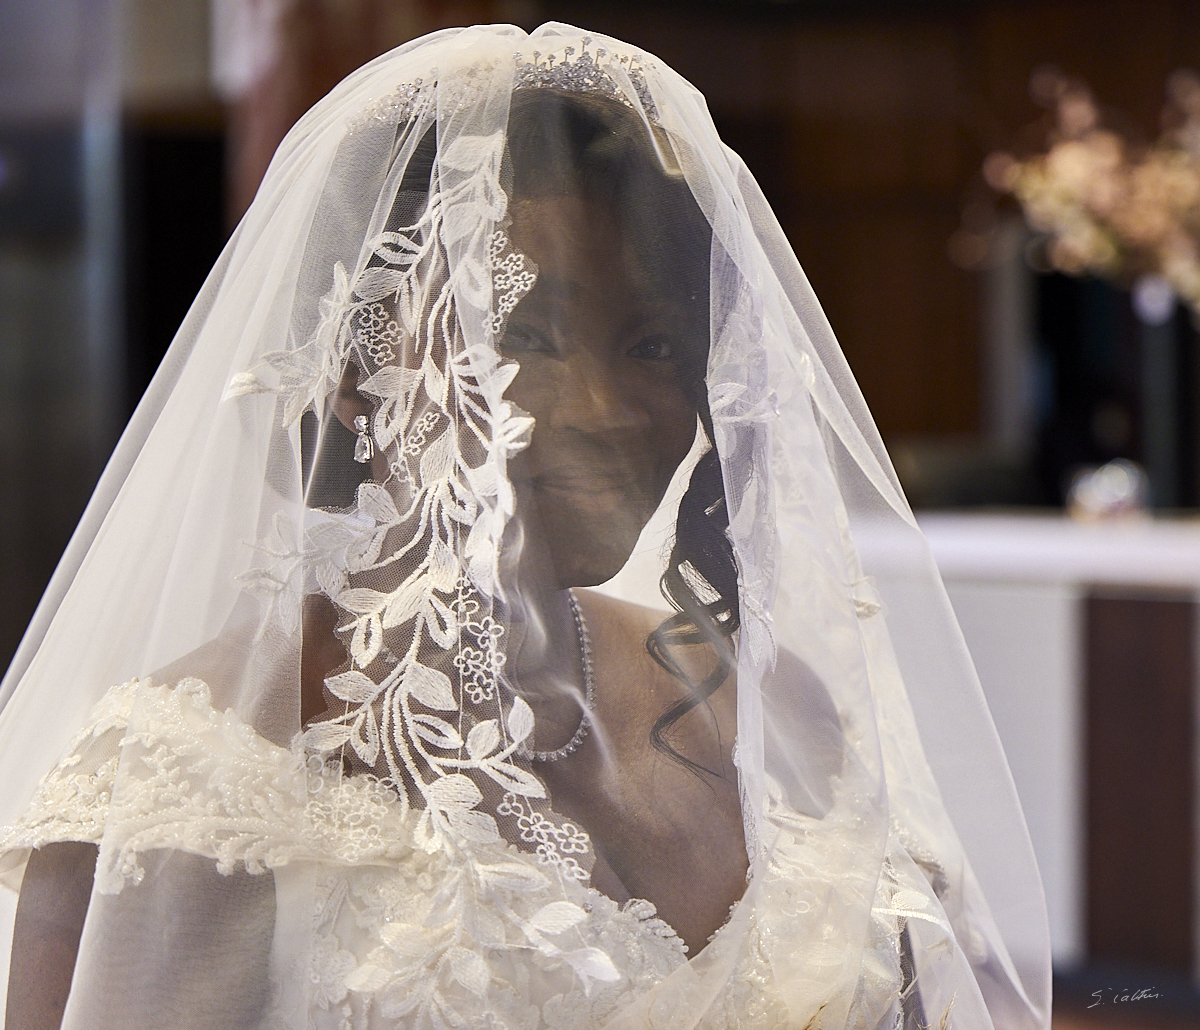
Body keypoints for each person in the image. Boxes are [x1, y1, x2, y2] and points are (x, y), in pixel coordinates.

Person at [0, 22, 1050, 1030]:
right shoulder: (198, 775)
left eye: (652, 345)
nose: (606, 410)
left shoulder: (774, 711)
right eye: (526, 335)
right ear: (358, 370)